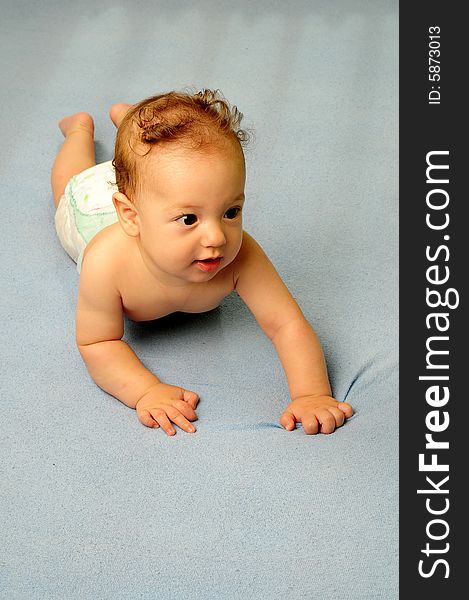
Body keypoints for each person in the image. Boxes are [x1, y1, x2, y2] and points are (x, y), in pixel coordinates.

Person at [51, 89, 353, 436]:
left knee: (154, 162)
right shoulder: (106, 264)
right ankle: (79, 131)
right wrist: (146, 390)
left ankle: (135, 124)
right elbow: (98, 343)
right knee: (70, 181)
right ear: (131, 217)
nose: (217, 238)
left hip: (156, 193)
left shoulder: (241, 255)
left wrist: (311, 393)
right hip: (91, 213)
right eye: (189, 220)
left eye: (230, 211)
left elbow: (287, 325)